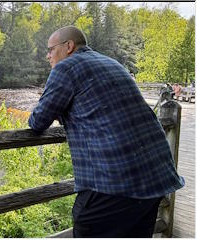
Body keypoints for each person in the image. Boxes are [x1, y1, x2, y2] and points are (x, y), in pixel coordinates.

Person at [28, 26, 184, 238]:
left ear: (68, 46)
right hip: (155, 176)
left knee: (86, 226)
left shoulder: (66, 68)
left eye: (50, 49)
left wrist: (62, 111)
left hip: (113, 181)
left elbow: (38, 120)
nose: (47, 56)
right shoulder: (111, 63)